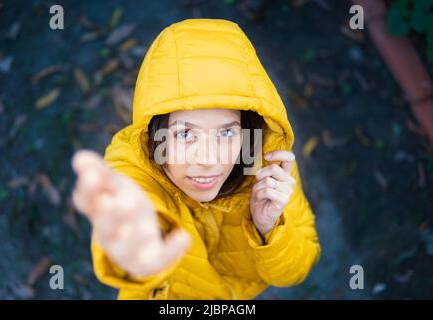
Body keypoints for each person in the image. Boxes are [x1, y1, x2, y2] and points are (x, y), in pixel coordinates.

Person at [72, 18, 320, 300]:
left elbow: (294, 270)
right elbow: (131, 207)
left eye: (227, 132)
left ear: (248, 130)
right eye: (185, 133)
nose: (208, 159)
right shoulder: (134, 168)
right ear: (155, 132)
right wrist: (139, 252)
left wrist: (269, 228)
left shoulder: (267, 165)